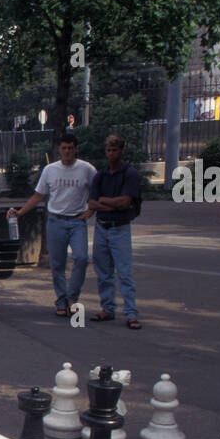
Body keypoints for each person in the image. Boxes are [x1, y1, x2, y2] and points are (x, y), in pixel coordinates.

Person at [15, 132, 96, 317]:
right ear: (59, 150)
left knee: (81, 258)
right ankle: (61, 300)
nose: (67, 151)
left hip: (77, 221)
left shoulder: (87, 169)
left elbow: (95, 192)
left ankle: (72, 297)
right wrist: (20, 212)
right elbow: (39, 195)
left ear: (76, 149)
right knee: (57, 264)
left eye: (70, 148)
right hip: (55, 221)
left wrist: (90, 211)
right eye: (64, 148)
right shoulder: (50, 170)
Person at [86, 134, 142, 329]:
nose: (111, 154)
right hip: (102, 227)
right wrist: (113, 205)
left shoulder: (130, 173)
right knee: (103, 272)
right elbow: (91, 202)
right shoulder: (100, 175)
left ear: (121, 151)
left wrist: (104, 201)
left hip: (120, 228)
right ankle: (107, 308)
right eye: (108, 150)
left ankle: (131, 313)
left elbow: (126, 202)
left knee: (124, 272)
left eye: (114, 150)